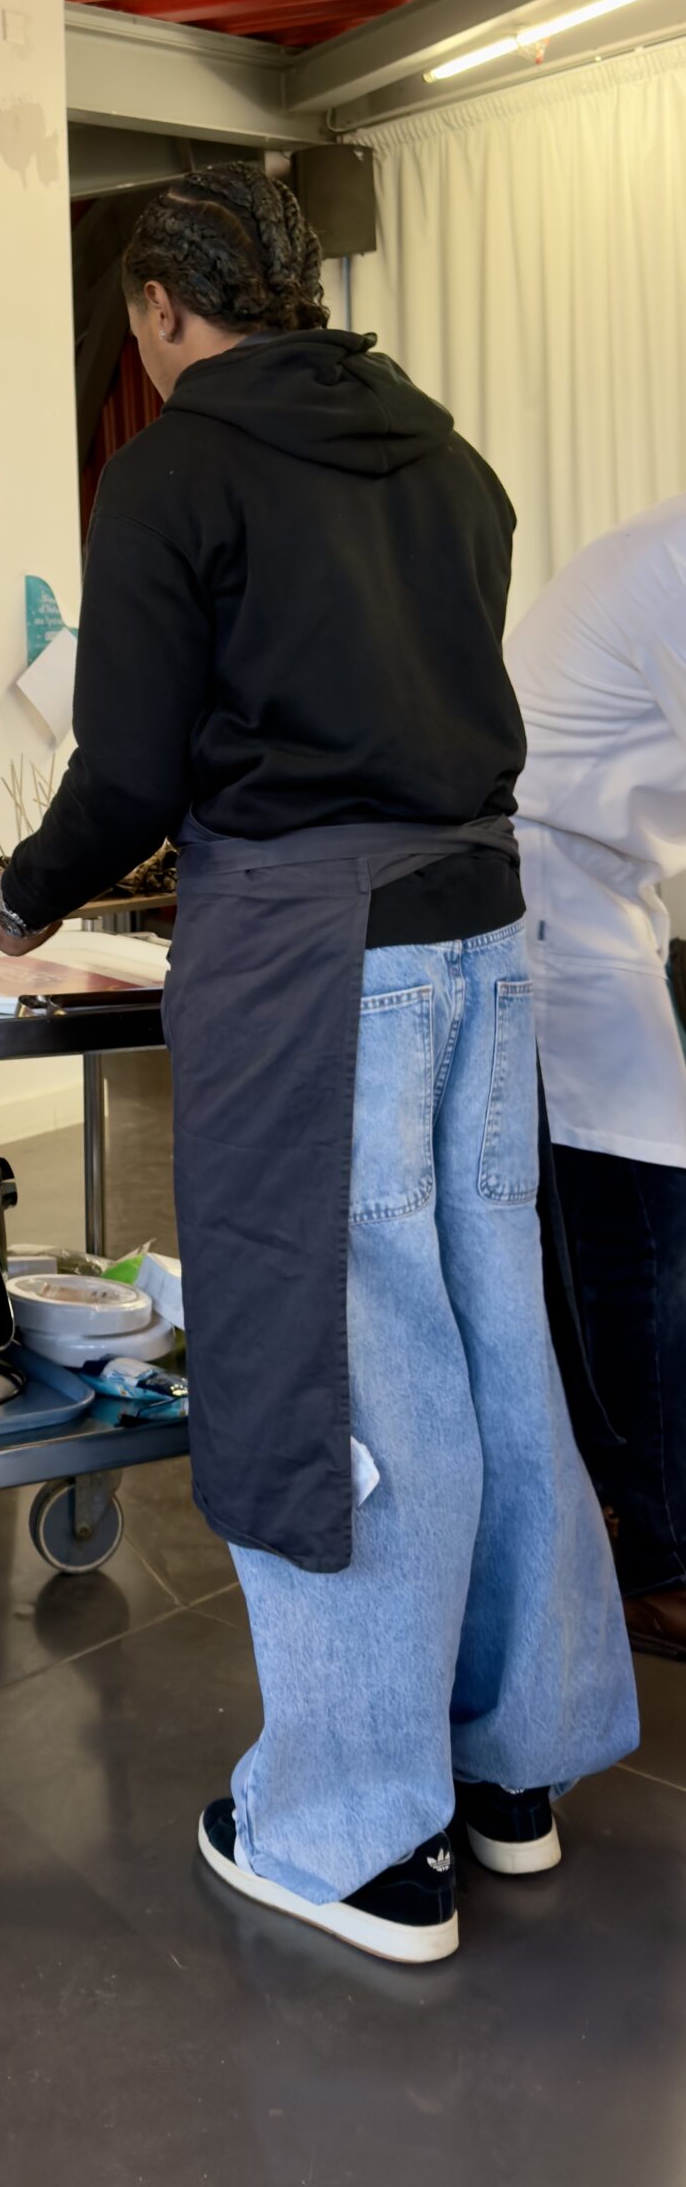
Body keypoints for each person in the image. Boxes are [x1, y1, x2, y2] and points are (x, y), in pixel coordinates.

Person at [0, 161, 636, 1965]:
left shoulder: (177, 465)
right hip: (481, 933)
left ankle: (359, 1832)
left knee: (341, 1364)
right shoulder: (444, 454)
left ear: (160, 309)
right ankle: (506, 1769)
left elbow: (127, 770)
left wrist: (19, 896)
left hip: (319, 956)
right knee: (487, 1340)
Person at [507, 497, 686, 1659]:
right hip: (556, 914)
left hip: (601, 903)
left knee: (632, 1234)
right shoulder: (675, 564)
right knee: (637, 1238)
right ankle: (653, 1560)